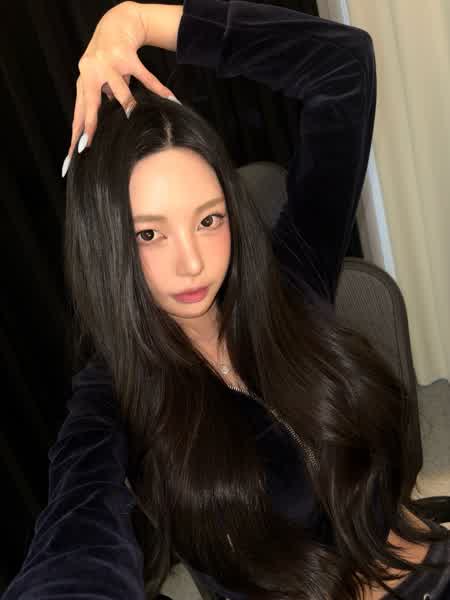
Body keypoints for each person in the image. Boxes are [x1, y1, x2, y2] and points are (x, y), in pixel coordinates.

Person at [4, 1, 450, 599]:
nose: (192, 263)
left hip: (422, 561)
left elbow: (343, 67)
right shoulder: (116, 397)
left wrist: (139, 21)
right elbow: (77, 536)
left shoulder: (289, 280)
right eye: (149, 234)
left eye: (208, 220)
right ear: (108, 245)